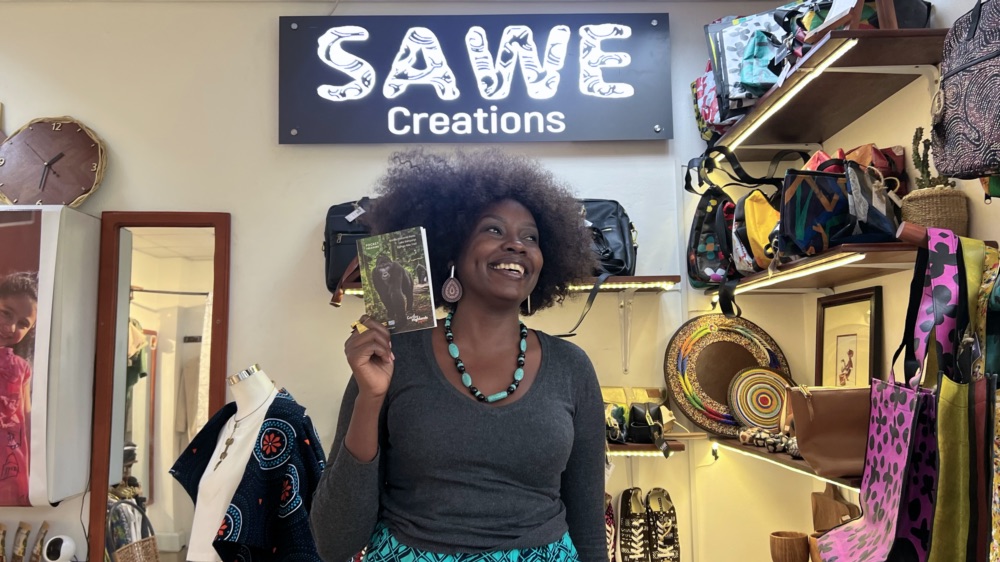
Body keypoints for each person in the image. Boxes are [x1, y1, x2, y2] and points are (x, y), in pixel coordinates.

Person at [311, 148, 606, 562]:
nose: (516, 245)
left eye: (531, 238)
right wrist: (370, 399)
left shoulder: (571, 367)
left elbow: (589, 530)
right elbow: (334, 541)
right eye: (493, 230)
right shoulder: (394, 356)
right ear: (451, 251)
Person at [0, 271, 38, 506]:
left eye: (23, 324)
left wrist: (35, 469)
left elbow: (26, 419)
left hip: (10, 469)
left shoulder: (21, 368)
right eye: (6, 313)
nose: (11, 326)